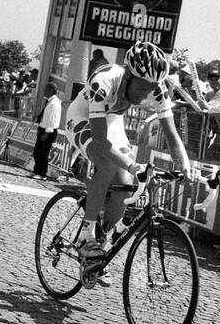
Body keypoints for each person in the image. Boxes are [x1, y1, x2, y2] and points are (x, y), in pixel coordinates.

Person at [65, 41, 195, 286]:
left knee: (126, 185)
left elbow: (171, 133)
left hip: (112, 119)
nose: (146, 94)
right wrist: (134, 165)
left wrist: (185, 164)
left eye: (151, 88)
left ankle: (100, 241)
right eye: (143, 87)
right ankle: (86, 234)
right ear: (128, 75)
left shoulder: (157, 89)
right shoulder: (103, 81)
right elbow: (102, 142)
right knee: (107, 164)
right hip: (82, 118)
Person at [33, 81, 61, 178]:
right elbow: (46, 117)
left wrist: (46, 133)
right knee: (37, 152)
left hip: (48, 131)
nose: (44, 91)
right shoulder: (49, 101)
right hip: (43, 129)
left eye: (46, 89)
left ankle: (42, 173)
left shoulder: (54, 103)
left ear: (51, 90)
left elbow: (52, 120)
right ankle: (37, 171)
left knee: (43, 153)